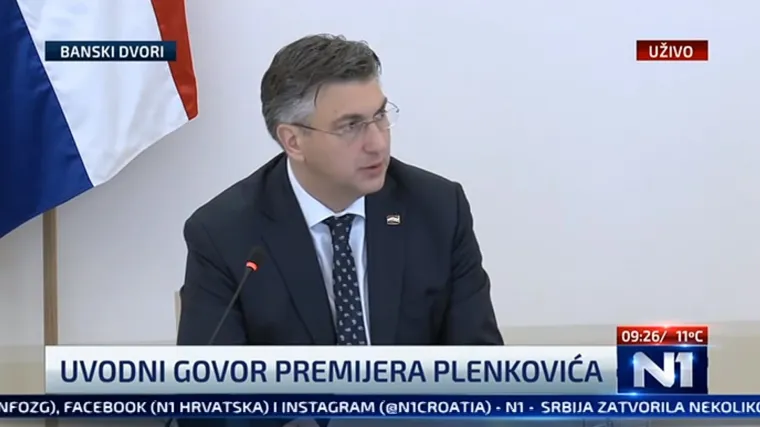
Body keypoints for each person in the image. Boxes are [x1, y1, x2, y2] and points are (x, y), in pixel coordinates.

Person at [176, 34, 503, 427]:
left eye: (380, 116)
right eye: (351, 127)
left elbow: (481, 370)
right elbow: (210, 404)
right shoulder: (223, 233)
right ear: (293, 140)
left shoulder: (437, 208)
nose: (377, 143)